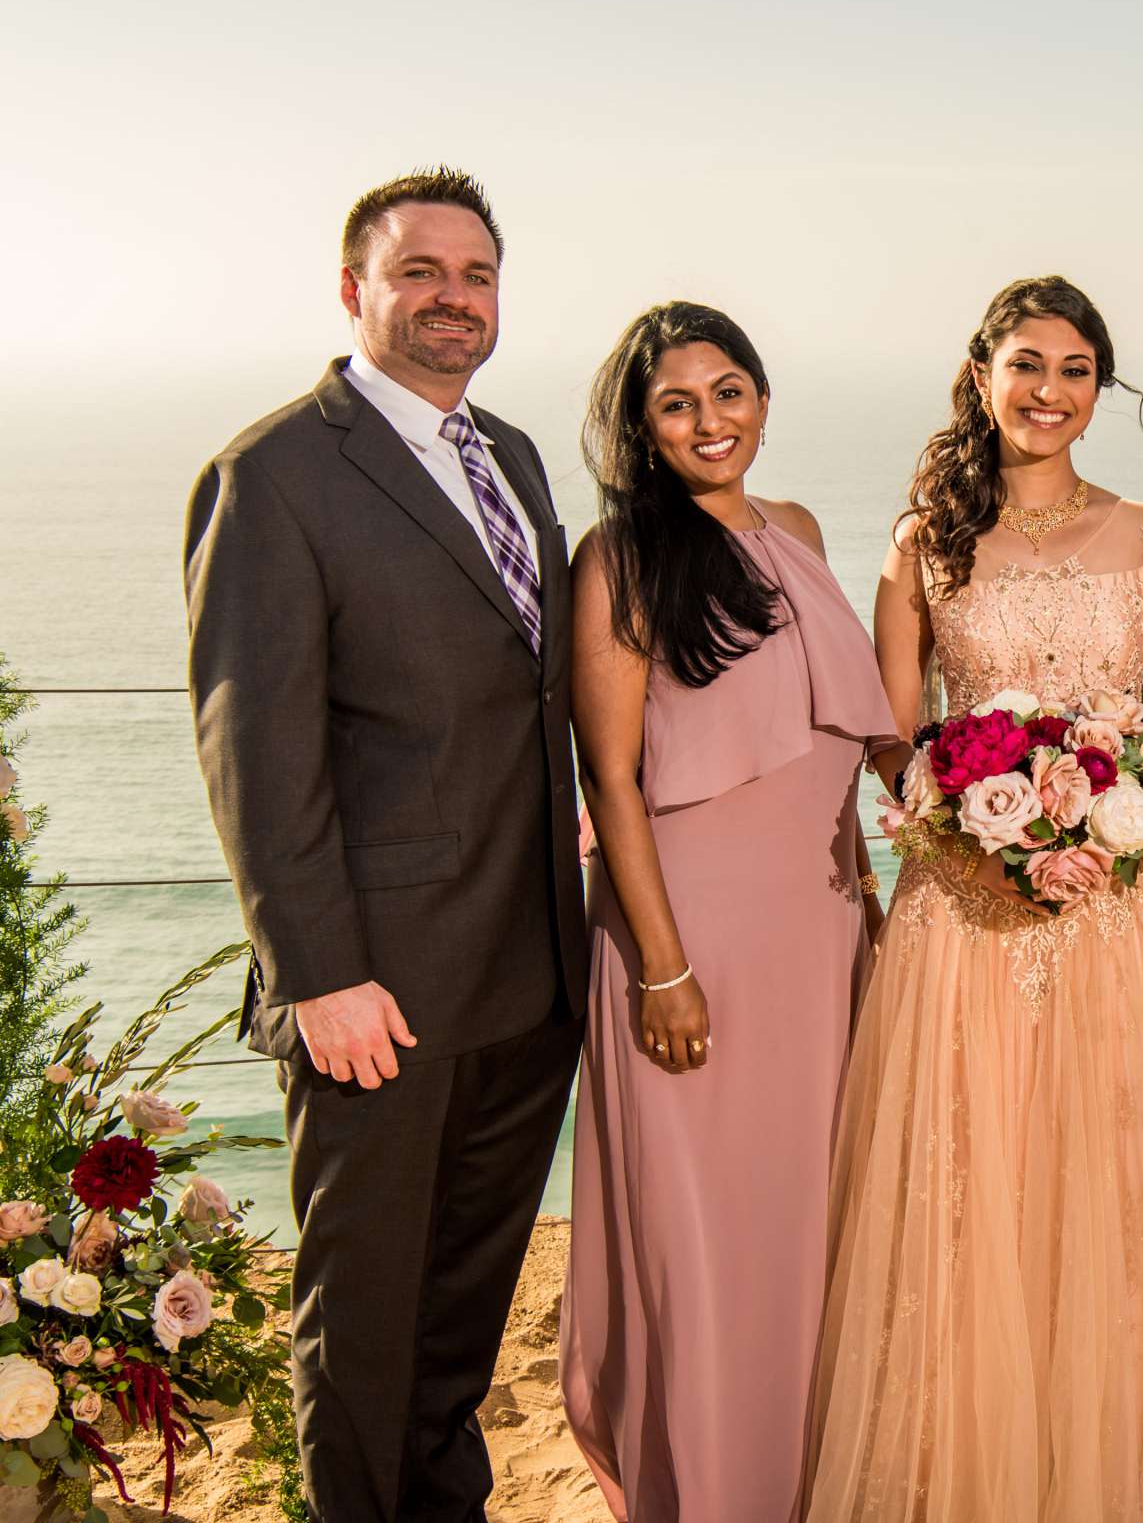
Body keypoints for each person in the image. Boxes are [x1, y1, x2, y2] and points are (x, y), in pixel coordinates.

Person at [184, 167, 584, 1521]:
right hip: (378, 993)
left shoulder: (516, 457)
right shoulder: (275, 473)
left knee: (463, 1316)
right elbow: (255, 748)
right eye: (419, 272)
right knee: (362, 1324)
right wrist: (317, 973)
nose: (450, 299)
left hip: (526, 975)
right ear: (355, 289)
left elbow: (535, 693)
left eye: (475, 276)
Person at [807, 276, 1143, 1520]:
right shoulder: (921, 543)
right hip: (962, 908)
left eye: (1076, 370)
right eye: (1027, 365)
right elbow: (892, 738)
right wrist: (964, 810)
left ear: (1101, 390)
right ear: (982, 375)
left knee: (1107, 1187)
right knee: (964, 1188)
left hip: (1110, 907)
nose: (1049, 392)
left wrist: (1110, 809)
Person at [556, 303, 896, 1520]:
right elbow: (611, 777)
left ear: (762, 396)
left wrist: (871, 906)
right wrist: (660, 967)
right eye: (678, 402)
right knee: (705, 1237)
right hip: (689, 932)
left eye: (731, 390)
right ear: (641, 429)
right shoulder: (620, 559)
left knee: (811, 1222)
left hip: (817, 928)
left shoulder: (797, 529)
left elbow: (833, 743)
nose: (712, 421)